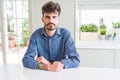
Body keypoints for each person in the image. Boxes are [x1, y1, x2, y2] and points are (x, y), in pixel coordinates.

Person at [22, 1, 80, 72]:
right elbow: (26, 59)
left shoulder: (66, 35)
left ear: (58, 19)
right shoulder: (36, 35)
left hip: (61, 73)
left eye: (54, 17)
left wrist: (58, 64)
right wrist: (47, 66)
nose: (51, 20)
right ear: (42, 19)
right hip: (42, 74)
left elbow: (76, 60)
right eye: (47, 17)